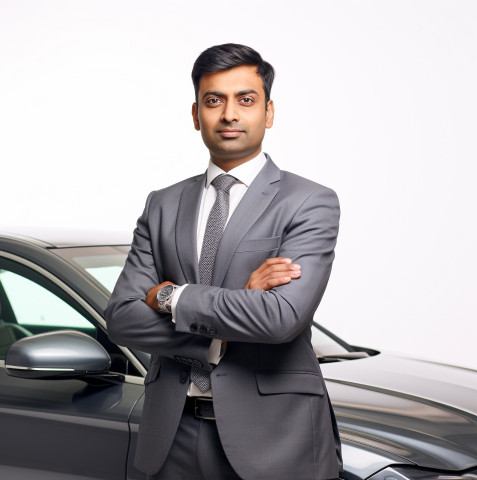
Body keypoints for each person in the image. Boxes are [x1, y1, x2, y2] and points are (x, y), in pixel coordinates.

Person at [106, 43, 342, 480]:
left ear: (268, 112)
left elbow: (280, 319)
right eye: (214, 101)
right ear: (196, 114)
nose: (229, 114)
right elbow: (121, 319)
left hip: (276, 437)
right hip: (171, 434)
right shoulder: (162, 204)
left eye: (245, 100)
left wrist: (171, 297)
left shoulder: (309, 201)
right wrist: (229, 323)